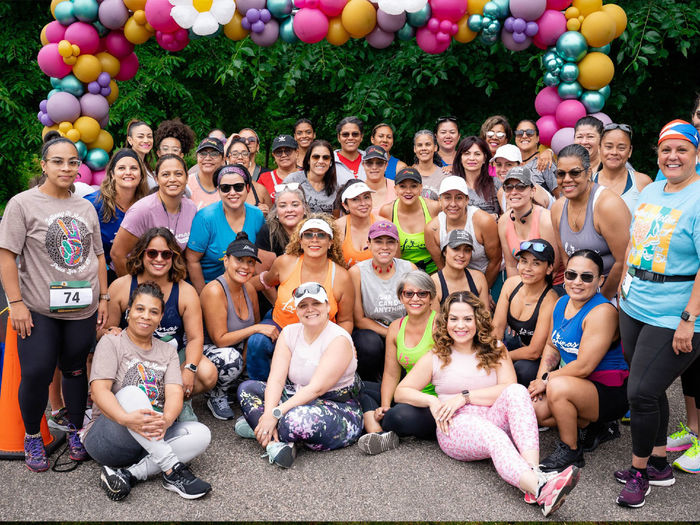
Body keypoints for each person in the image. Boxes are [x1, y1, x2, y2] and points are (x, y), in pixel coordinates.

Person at [395, 291, 580, 517]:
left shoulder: (495, 348)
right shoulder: (437, 356)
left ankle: (534, 473)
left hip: (491, 415)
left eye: (467, 319)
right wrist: (432, 400)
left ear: (477, 320)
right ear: (445, 322)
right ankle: (541, 489)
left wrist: (464, 396)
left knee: (517, 391)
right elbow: (401, 391)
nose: (460, 325)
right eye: (453, 319)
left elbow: (508, 387)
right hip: (456, 426)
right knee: (495, 436)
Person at [0, 136, 108, 471]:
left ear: (79, 167)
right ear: (44, 165)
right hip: (37, 309)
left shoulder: (85, 206)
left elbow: (99, 256)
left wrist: (103, 297)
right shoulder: (22, 204)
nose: (66, 167)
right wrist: (15, 303)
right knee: (36, 372)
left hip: (83, 308)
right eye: (58, 161)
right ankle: (32, 435)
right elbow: (6, 256)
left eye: (73, 162)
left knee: (76, 370)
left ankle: (76, 430)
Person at [614, 120, 700, 505]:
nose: (673, 156)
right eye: (666, 149)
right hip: (635, 301)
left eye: (682, 149)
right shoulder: (651, 190)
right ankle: (661, 463)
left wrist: (689, 318)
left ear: (696, 154)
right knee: (649, 384)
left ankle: (639, 472)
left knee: (642, 392)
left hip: (675, 310)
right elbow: (639, 238)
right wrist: (625, 277)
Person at [85, 282, 212, 501]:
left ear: (161, 318)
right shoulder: (112, 342)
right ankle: (172, 469)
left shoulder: (167, 351)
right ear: (129, 312)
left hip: (151, 437)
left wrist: (167, 420)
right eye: (140, 309)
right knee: (132, 393)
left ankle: (129, 474)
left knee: (201, 434)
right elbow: (98, 392)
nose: (146, 316)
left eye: (153, 312)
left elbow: (174, 394)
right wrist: (125, 419)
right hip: (111, 436)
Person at [236, 282, 362, 468]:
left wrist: (276, 413)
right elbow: (277, 379)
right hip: (297, 396)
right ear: (297, 310)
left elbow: (316, 388)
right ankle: (273, 443)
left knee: (293, 420)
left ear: (328, 306)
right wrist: (271, 412)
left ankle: (262, 428)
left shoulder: (339, 339)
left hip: (338, 407)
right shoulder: (289, 333)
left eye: (316, 303)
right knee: (247, 388)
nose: (310, 309)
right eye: (303, 305)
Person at [530, 250, 628, 472]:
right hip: (577, 384)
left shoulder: (602, 312)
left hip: (609, 391)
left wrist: (547, 380)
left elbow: (584, 367)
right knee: (537, 411)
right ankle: (589, 424)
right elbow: (551, 346)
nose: (577, 282)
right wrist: (539, 383)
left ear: (600, 280)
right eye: (571, 275)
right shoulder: (562, 302)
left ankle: (571, 450)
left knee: (558, 387)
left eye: (586, 277)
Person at [107, 227, 217, 421]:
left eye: (166, 254)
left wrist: (189, 369)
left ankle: (179, 402)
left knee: (207, 372)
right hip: (132, 360)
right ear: (141, 254)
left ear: (174, 257)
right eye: (152, 253)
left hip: (171, 359)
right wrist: (111, 331)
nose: (159, 259)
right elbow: (103, 333)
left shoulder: (185, 291)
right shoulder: (121, 286)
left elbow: (195, 338)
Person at [251, 215, 354, 380]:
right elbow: (264, 281)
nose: (314, 239)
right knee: (257, 342)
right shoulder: (285, 263)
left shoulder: (342, 277)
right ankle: (259, 387)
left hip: (320, 333)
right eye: (308, 234)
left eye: (321, 235)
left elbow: (346, 320)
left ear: (330, 242)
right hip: (280, 326)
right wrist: (233, 289)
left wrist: (342, 342)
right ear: (300, 240)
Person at [357, 271, 439, 453]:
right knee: (357, 387)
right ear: (401, 297)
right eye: (409, 293)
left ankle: (378, 423)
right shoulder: (396, 327)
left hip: (432, 400)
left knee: (399, 416)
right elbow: (391, 373)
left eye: (422, 293)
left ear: (431, 297)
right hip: (404, 394)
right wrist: (385, 405)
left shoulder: (440, 325)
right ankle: (378, 432)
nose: (415, 298)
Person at [200, 234, 276, 420]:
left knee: (266, 342)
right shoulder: (214, 290)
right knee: (231, 358)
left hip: (238, 347)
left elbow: (256, 327)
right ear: (226, 260)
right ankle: (216, 393)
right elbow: (220, 339)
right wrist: (256, 330)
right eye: (239, 260)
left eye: (250, 262)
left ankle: (240, 381)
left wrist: (247, 355)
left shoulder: (249, 288)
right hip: (211, 351)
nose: (245, 267)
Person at [550, 144, 630, 300]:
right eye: (560, 174)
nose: (566, 179)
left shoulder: (607, 205)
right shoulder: (557, 208)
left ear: (588, 173)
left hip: (612, 292)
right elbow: (567, 258)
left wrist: (600, 302)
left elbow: (623, 261)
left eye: (575, 173)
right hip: (579, 291)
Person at [350, 221, 415, 381]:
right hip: (373, 331)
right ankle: (369, 383)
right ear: (369, 244)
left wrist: (403, 333)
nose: (384, 247)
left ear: (397, 244)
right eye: (378, 241)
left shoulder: (409, 269)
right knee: (368, 345)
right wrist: (390, 334)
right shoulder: (357, 272)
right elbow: (359, 319)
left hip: (403, 329)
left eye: (390, 242)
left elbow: (418, 309)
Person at [111, 154, 197, 276]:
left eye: (178, 174)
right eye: (165, 174)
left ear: (187, 178)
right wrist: (133, 289)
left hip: (168, 278)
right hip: (136, 277)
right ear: (156, 179)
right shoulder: (142, 210)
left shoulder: (191, 208)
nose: (172, 179)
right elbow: (117, 254)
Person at [186, 164, 265, 293]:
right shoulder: (205, 218)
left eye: (238, 187)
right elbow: (192, 260)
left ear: (248, 188)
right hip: (210, 287)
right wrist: (203, 297)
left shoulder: (257, 215)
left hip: (244, 287)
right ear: (218, 190)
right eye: (225, 188)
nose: (232, 193)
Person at [493, 240, 558, 386]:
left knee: (522, 370)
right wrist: (489, 353)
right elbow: (497, 327)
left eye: (536, 263)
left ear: (549, 268)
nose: (527, 268)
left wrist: (500, 357)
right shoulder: (511, 284)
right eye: (523, 261)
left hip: (534, 359)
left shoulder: (550, 300)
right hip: (512, 346)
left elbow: (535, 351)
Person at [85, 148, 150, 282]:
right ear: (112, 174)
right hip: (101, 275)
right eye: (121, 168)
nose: (128, 172)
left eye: (133, 168)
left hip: (141, 272)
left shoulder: (148, 205)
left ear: (141, 174)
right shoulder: (92, 204)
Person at [425, 176, 501, 287]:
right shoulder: (432, 229)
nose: (453, 204)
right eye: (447, 198)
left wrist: (485, 290)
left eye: (459, 198)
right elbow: (442, 266)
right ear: (439, 200)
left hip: (489, 277)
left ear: (467, 200)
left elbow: (495, 260)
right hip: (454, 282)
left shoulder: (484, 222)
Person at [497, 166, 562, 290]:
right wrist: (516, 293)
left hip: (553, 284)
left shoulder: (545, 220)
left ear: (533, 191)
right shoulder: (504, 221)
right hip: (524, 283)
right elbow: (511, 266)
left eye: (521, 186)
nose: (514, 192)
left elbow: (553, 268)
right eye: (509, 187)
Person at [379, 167, 440, 274]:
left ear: (421, 188)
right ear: (395, 189)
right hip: (403, 273)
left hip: (433, 272)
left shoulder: (434, 207)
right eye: (402, 186)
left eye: (413, 186)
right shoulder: (387, 211)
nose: (408, 191)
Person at [593, 123, 652, 215]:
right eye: (608, 147)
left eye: (621, 148)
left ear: (630, 151)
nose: (614, 152)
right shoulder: (587, 183)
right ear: (599, 148)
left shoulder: (643, 183)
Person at [255, 185, 309, 270]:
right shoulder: (268, 232)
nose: (289, 210)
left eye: (295, 205)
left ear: (304, 209)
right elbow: (261, 272)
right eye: (283, 206)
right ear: (276, 212)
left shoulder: (315, 230)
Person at [431, 229, 489, 308]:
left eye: (467, 250)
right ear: (444, 251)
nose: (461, 255)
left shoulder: (478, 278)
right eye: (456, 248)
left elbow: (485, 316)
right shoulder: (434, 283)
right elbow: (435, 319)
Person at [283, 140, 339, 215]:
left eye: (326, 157)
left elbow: (335, 217)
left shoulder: (334, 186)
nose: (321, 161)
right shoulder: (293, 180)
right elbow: (281, 209)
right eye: (316, 157)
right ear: (308, 160)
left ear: (331, 162)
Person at [492, 145, 554, 210]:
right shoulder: (501, 193)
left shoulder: (532, 191)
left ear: (521, 166)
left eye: (509, 164)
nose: (502, 169)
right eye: (499, 164)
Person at [452, 136, 501, 217]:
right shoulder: (452, 184)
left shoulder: (496, 183)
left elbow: (507, 214)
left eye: (477, 154)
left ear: (484, 158)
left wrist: (495, 217)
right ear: (460, 158)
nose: (472, 158)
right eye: (467, 154)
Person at [225, 138, 273, 216]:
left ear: (249, 159)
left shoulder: (260, 190)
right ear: (227, 159)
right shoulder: (218, 188)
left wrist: (266, 213)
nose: (240, 157)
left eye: (244, 153)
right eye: (235, 154)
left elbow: (273, 221)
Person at [336, 180, 377, 267]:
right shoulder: (337, 228)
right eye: (355, 199)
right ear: (345, 205)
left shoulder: (384, 225)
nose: (363, 203)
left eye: (366, 197)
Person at [514, 119, 559, 197]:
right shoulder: (511, 163)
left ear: (537, 138)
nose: (524, 136)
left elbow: (560, 196)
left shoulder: (544, 162)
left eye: (529, 133)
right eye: (519, 133)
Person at [258, 135, 299, 203]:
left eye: (288, 151)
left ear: (297, 153)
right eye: (279, 152)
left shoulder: (306, 175)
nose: (283, 155)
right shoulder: (264, 178)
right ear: (274, 156)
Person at [187, 138, 225, 211]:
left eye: (214, 154)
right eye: (203, 153)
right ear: (197, 157)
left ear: (223, 160)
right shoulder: (186, 184)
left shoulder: (228, 186)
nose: (207, 158)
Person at [412, 130, 446, 200]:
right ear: (415, 149)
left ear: (435, 147)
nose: (424, 148)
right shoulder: (407, 174)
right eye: (419, 145)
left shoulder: (445, 176)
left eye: (428, 144)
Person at [361, 145, 396, 215]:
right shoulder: (356, 189)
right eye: (369, 163)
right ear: (363, 165)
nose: (374, 167)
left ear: (386, 165)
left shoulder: (397, 188)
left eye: (379, 163)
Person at [335, 116, 366, 184]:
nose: (350, 138)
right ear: (338, 137)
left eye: (355, 134)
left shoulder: (370, 159)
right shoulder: (329, 160)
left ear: (361, 137)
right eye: (345, 134)